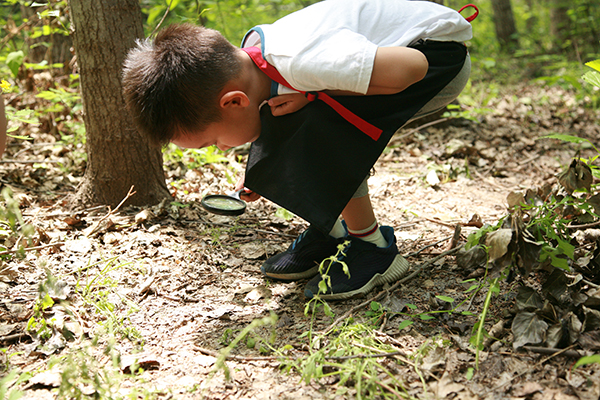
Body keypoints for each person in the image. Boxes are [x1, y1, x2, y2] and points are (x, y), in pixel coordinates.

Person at [122, 0, 474, 300]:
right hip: (395, 62)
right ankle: (332, 229)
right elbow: (272, 112)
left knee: (320, 123)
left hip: (436, 57)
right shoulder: (248, 60)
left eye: (216, 141)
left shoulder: (303, 62)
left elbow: (412, 68)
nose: (224, 148)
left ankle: (373, 248)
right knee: (286, 111)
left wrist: (316, 93)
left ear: (233, 101)